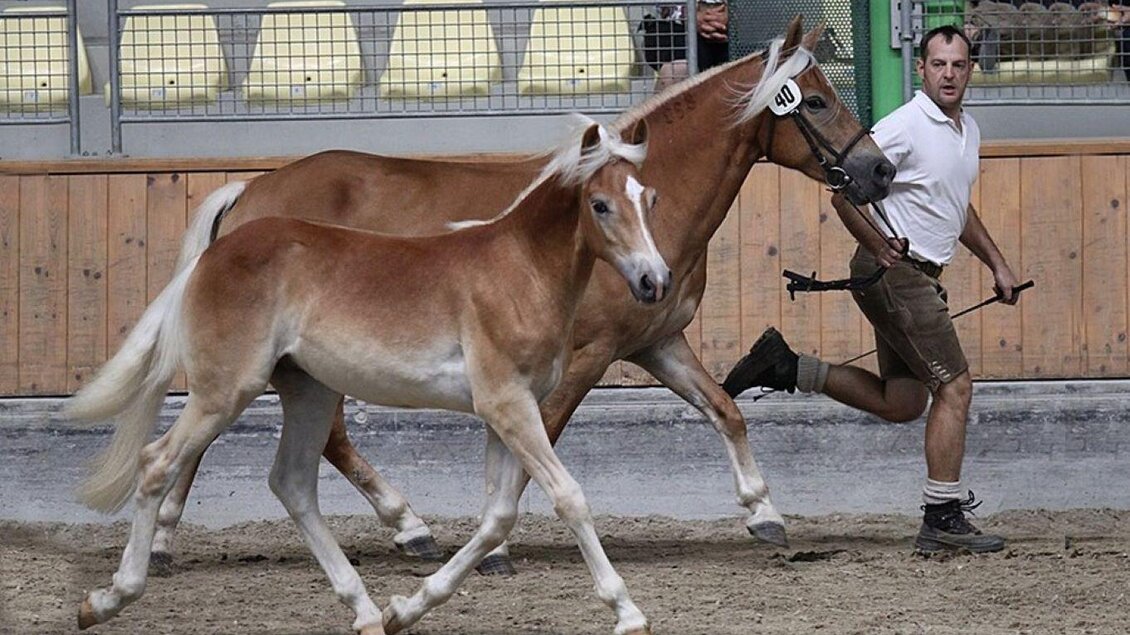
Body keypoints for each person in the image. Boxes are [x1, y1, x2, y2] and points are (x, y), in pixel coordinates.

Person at [722, 25, 1021, 554]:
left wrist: (996, 262)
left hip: (921, 275)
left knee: (903, 401)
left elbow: (956, 207)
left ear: (970, 70)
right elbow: (844, 193)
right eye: (938, 64)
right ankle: (942, 516)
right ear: (921, 70)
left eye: (958, 64)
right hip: (898, 274)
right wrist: (881, 245)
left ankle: (788, 367)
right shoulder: (905, 126)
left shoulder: (965, 130)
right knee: (955, 387)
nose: (948, 73)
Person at [641, 0, 730, 91]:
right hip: (673, 26)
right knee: (676, 70)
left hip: (736, 32)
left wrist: (734, 14)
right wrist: (689, 14)